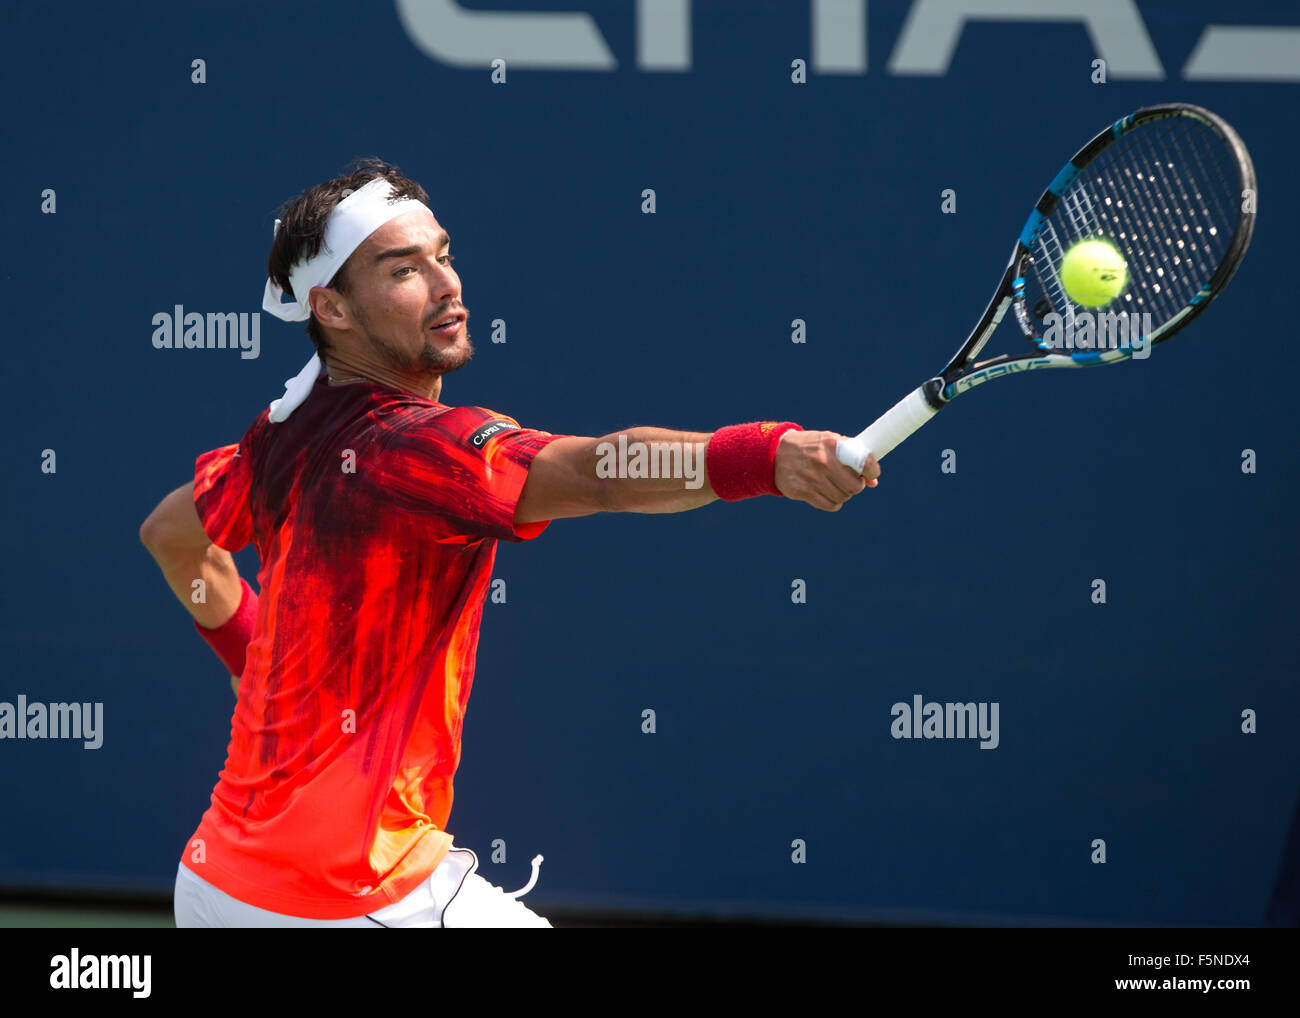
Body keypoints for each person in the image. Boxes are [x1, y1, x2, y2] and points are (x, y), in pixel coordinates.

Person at [139, 159, 881, 928]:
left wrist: (248, 655)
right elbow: (604, 473)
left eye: (443, 255)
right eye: (404, 270)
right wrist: (764, 454)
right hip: (352, 901)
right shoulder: (422, 447)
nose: (446, 283)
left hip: (216, 887)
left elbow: (171, 537)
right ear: (332, 307)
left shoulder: (279, 437)